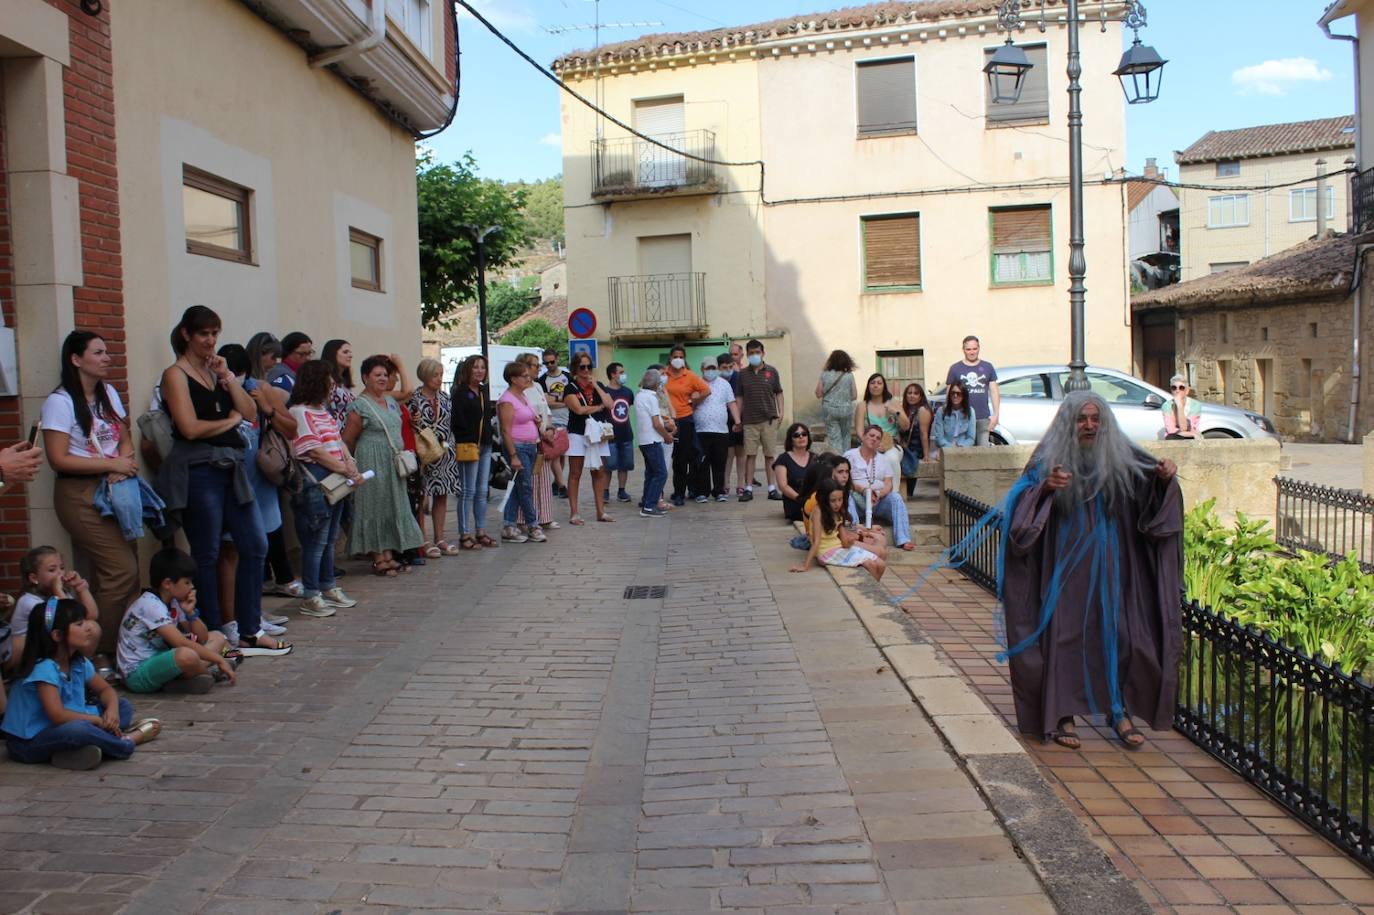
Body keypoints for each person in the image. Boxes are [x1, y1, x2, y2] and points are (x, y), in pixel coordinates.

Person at [997, 391, 1182, 750]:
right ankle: (1062, 711)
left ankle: (1118, 710)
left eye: (1096, 419)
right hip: (1063, 565)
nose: (1090, 426)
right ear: (1070, 422)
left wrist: (1163, 478)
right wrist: (1045, 489)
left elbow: (1148, 493)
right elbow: (1019, 511)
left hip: (1113, 564)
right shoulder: (1046, 459)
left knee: (1119, 633)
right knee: (1065, 633)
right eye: (1082, 419)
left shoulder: (1121, 456)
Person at [155, 306, 287, 655]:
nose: (210, 340)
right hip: (200, 470)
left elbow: (248, 412)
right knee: (208, 553)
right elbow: (189, 428)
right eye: (203, 334)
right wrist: (229, 423)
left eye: (215, 333)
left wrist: (227, 378)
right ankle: (213, 633)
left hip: (231, 468)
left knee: (255, 544)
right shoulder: (175, 374)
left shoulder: (216, 372)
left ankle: (248, 629)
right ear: (187, 334)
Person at [41, 330, 140, 655]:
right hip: (79, 492)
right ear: (76, 359)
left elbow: (124, 434)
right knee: (121, 570)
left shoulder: (108, 391)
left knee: (124, 570)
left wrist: (122, 462)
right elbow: (58, 458)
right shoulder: (60, 402)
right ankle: (98, 652)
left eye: (106, 351)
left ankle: (127, 649)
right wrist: (107, 465)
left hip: (117, 488)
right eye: (97, 353)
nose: (106, 358)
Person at [3, 598, 160, 770]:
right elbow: (58, 716)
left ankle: (78, 751)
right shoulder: (44, 668)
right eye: (79, 624)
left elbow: (105, 689)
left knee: (123, 706)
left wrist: (112, 710)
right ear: (57, 635)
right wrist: (97, 720)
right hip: (28, 743)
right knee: (79, 730)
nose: (88, 628)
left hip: (63, 727)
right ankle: (126, 741)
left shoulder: (78, 662)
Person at [225, 342, 302, 603]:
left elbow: (291, 429)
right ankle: (245, 610)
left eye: (239, 372)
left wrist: (266, 409)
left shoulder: (260, 388)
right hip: (229, 482)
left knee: (262, 542)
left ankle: (255, 608)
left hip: (260, 479)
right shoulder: (214, 391)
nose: (236, 378)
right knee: (233, 550)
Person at [288, 360, 361, 614]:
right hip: (318, 480)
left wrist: (349, 462)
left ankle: (328, 585)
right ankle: (311, 593)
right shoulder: (299, 412)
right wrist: (343, 468)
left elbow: (338, 441)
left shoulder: (322, 410)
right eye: (328, 385)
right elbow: (313, 450)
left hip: (336, 478)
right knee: (316, 541)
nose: (331, 390)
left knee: (330, 540)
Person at [342, 355, 424, 575]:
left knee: (391, 504)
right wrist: (349, 466)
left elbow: (408, 391)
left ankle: (388, 554)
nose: (382, 378)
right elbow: (348, 439)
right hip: (371, 461)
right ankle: (378, 557)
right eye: (377, 375)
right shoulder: (360, 404)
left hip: (392, 461)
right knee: (374, 505)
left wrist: (399, 365)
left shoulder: (389, 399)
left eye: (385, 375)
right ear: (365, 378)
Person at [117, 548, 238, 695]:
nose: (192, 587)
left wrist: (190, 613)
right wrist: (218, 659)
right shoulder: (150, 605)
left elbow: (202, 638)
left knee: (217, 637)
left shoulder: (174, 601)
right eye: (187, 582)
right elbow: (180, 643)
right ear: (168, 583)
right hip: (138, 673)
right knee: (186, 655)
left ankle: (188, 678)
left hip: (162, 659)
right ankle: (210, 673)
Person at [7, 546, 99, 669]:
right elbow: (65, 620)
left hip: (50, 646)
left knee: (92, 627)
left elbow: (90, 615)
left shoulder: (61, 594)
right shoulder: (28, 601)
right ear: (34, 578)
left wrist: (80, 586)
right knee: (71, 629)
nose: (60, 573)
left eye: (61, 568)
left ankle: (77, 670)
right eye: (52, 570)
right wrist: (58, 591)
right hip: (28, 654)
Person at [409, 358, 462, 556]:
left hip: (445, 451)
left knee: (442, 494)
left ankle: (440, 538)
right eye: (435, 375)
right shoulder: (414, 398)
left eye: (441, 374)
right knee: (422, 495)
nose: (439, 379)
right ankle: (423, 539)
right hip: (424, 452)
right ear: (425, 375)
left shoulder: (445, 397)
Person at [790, 478, 886, 581]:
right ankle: (870, 591)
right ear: (824, 499)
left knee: (881, 564)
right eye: (833, 500)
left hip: (839, 548)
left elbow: (844, 543)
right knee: (870, 563)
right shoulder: (818, 511)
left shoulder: (838, 511)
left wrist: (851, 541)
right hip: (825, 552)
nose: (837, 504)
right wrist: (805, 566)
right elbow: (816, 541)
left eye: (840, 500)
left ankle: (874, 585)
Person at [561, 353, 617, 525]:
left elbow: (610, 404)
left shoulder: (597, 385)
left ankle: (601, 511)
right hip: (578, 433)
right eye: (582, 367)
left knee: (598, 472)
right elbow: (578, 410)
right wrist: (598, 407)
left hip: (597, 434)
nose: (586, 370)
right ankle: (574, 513)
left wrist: (597, 387)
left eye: (588, 367)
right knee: (575, 473)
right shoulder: (570, 388)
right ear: (575, 369)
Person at [497, 361, 547, 543]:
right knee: (525, 487)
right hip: (517, 446)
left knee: (519, 487)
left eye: (528, 375)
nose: (528, 378)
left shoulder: (522, 396)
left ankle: (509, 525)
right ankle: (533, 524)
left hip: (529, 445)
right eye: (524, 376)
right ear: (513, 379)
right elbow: (505, 430)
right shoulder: (507, 400)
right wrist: (513, 455)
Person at [450, 354, 495, 550]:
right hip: (469, 446)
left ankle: (481, 530)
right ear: (468, 369)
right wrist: (467, 439)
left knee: (482, 491)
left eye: (482, 367)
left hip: (485, 444)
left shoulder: (484, 391)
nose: (479, 371)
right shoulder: (460, 392)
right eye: (476, 367)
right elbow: (457, 421)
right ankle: (464, 533)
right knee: (468, 491)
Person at [845, 425, 914, 551]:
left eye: (878, 438)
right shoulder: (850, 455)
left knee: (896, 497)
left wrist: (879, 494)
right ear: (864, 436)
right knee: (845, 496)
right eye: (871, 435)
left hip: (878, 501)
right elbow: (843, 480)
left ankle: (903, 539)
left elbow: (889, 483)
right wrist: (863, 490)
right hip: (857, 498)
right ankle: (855, 534)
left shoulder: (883, 459)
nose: (874, 439)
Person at [735, 339, 785, 502]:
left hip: (769, 420)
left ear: (763, 353)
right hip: (749, 421)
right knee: (750, 455)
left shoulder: (772, 372)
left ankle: (772, 488)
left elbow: (778, 392)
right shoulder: (742, 374)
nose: (754, 355)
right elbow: (740, 397)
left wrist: (781, 412)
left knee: (770, 455)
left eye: (757, 352)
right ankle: (748, 488)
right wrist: (738, 419)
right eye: (751, 353)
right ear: (747, 355)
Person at [663, 344, 711, 506]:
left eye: (681, 357)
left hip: (684, 420)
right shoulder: (663, 374)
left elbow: (705, 390)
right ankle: (658, 494)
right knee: (664, 458)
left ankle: (679, 493)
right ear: (670, 358)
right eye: (675, 356)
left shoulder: (689, 375)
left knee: (681, 458)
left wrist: (694, 401)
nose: (678, 359)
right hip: (666, 420)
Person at [517, 352, 559, 533]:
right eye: (535, 365)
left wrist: (549, 427)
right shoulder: (521, 391)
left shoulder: (538, 387)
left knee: (543, 478)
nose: (539, 368)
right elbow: (530, 416)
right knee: (528, 482)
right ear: (525, 367)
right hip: (530, 439)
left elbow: (546, 410)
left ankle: (545, 517)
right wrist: (543, 430)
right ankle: (524, 519)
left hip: (543, 439)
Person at [693, 357, 739, 503]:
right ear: (702, 369)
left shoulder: (724, 384)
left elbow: (732, 403)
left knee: (720, 462)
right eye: (708, 368)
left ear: (717, 369)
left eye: (713, 368)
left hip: (721, 431)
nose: (711, 371)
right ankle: (702, 492)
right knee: (702, 463)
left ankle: (719, 491)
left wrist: (738, 421)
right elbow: (691, 403)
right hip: (701, 430)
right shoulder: (696, 384)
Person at [946, 335, 999, 446]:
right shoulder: (955, 369)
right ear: (963, 350)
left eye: (974, 349)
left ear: (979, 348)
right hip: (962, 418)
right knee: (964, 454)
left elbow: (994, 392)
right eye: (968, 349)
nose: (972, 352)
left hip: (983, 418)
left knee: (983, 454)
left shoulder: (987, 367)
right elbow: (949, 395)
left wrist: (996, 415)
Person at [853, 372, 907, 481]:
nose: (876, 385)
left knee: (890, 458)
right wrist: (870, 444)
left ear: (884, 386)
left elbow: (906, 426)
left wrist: (895, 412)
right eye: (872, 383)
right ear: (868, 386)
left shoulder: (893, 403)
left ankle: (893, 494)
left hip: (892, 444)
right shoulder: (862, 406)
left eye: (879, 383)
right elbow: (859, 430)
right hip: (870, 444)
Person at [634, 368, 671, 517]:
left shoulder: (640, 396)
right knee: (661, 473)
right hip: (653, 440)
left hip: (644, 440)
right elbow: (656, 423)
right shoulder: (651, 398)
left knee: (651, 472)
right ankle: (649, 506)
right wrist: (667, 436)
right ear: (656, 383)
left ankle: (646, 500)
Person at [601, 362, 636, 504]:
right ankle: (605, 491)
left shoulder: (628, 392)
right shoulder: (604, 392)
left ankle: (622, 491)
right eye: (620, 372)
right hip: (610, 436)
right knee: (608, 466)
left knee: (625, 465)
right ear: (612, 374)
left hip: (626, 434)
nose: (623, 374)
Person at [537, 349, 570, 497]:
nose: (549, 365)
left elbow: (573, 398)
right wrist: (564, 400)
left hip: (568, 420)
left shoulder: (568, 377)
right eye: (546, 363)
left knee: (562, 455)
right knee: (555, 455)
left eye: (552, 362)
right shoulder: (542, 380)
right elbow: (546, 402)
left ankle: (556, 483)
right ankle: (562, 486)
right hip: (552, 421)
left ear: (557, 359)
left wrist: (555, 400)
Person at [816, 350, 858, 451]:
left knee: (834, 438)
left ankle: (837, 462)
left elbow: (818, 394)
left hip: (829, 410)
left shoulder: (825, 374)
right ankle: (846, 462)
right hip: (846, 410)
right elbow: (854, 395)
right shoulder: (849, 375)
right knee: (846, 437)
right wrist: (844, 400)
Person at [898, 383, 934, 498]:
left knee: (907, 463)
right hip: (905, 446)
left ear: (920, 396)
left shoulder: (923, 410)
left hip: (916, 448)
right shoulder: (905, 409)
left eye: (915, 393)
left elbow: (924, 434)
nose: (912, 396)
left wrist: (926, 454)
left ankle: (907, 494)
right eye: (909, 393)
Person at [773, 422, 814, 523]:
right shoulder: (783, 459)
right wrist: (801, 499)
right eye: (796, 435)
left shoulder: (815, 458)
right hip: (795, 502)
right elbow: (783, 486)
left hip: (814, 501)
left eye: (804, 434)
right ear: (791, 440)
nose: (801, 437)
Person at [723, 346, 748, 494]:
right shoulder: (720, 379)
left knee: (741, 453)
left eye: (735, 355)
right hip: (725, 421)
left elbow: (745, 398)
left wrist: (741, 420)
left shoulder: (741, 377)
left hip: (741, 419)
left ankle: (741, 485)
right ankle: (725, 484)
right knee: (728, 454)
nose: (733, 359)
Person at [932, 381, 977, 452]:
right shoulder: (941, 411)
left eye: (958, 393)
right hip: (945, 449)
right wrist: (951, 447)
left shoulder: (970, 411)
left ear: (964, 395)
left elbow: (971, 438)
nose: (955, 396)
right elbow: (939, 438)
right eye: (952, 393)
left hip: (963, 449)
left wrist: (961, 446)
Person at [321, 339, 357, 425]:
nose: (350, 355)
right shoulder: (326, 378)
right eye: (345, 352)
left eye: (350, 352)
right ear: (332, 354)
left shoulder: (345, 383)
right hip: (331, 429)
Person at [1163, 374, 1202, 440]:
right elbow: (1171, 431)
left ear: (1187, 391)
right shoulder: (1166, 405)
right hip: (1174, 437)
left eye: (1181, 388)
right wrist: (1179, 406)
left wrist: (1179, 406)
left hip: (1191, 437)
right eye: (1174, 388)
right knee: (1171, 437)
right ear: (1171, 391)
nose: (1177, 391)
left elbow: (1188, 428)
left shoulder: (1195, 405)